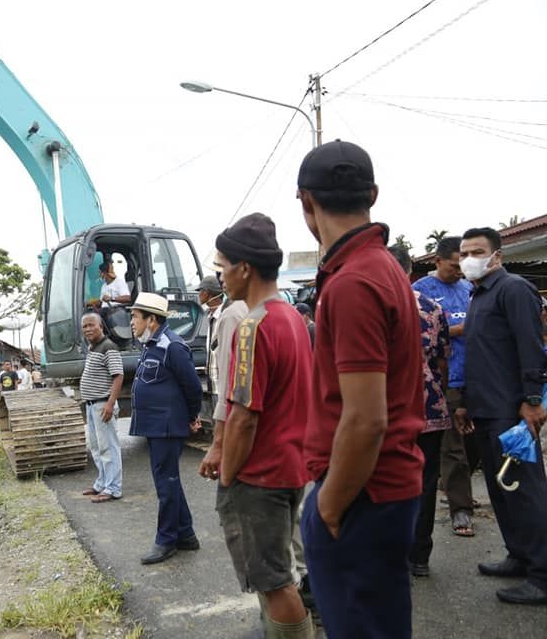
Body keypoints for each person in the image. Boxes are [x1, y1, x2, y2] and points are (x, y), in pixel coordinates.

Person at [296, 139, 425, 638]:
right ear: (372, 193)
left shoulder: (353, 282)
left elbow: (367, 418)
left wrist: (328, 504)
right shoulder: (383, 267)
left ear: (305, 201)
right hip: (382, 488)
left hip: (360, 494)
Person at [198, 213, 315, 638]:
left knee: (273, 581)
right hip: (290, 468)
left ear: (244, 268)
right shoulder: (293, 320)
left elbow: (245, 416)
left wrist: (229, 474)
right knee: (282, 570)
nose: (221, 277)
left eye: (223, 266)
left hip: (260, 475)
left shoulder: (253, 325)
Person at [458, 226, 547, 605]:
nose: (468, 259)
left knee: (526, 492)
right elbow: (479, 354)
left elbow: (531, 346)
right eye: (463, 252)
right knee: (501, 489)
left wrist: (531, 398)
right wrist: (465, 402)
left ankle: (543, 575)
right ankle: (520, 556)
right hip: (486, 408)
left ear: (497, 255)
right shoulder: (478, 295)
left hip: (513, 410)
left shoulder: (513, 290)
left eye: (476, 251)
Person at [390, 244, 452, 578]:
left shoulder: (378, 307)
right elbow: (443, 359)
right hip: (430, 408)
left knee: (390, 482)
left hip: (391, 411)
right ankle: (420, 557)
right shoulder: (431, 308)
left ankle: (393, 555)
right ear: (410, 269)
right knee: (425, 484)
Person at [412, 235, 479, 537]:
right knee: (453, 448)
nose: (459, 272)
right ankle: (460, 510)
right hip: (444, 378)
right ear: (437, 262)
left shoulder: (468, 289)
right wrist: (459, 329)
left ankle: (456, 489)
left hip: (474, 375)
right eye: (454, 266)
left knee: (473, 443)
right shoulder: (420, 292)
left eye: (462, 266)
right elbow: (422, 337)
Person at [129, 292, 203, 564]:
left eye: (136, 317)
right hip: (156, 425)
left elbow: (193, 386)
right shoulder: (151, 344)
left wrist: (192, 416)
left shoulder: (172, 346)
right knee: (169, 480)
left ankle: (166, 540)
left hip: (168, 425)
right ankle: (186, 535)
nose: (132, 322)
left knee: (166, 483)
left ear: (151, 319)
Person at [79, 311, 124, 503]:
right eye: (85, 326)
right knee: (97, 448)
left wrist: (110, 404)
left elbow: (118, 376)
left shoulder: (108, 347)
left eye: (91, 325)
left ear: (101, 327)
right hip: (92, 405)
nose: (88, 329)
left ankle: (113, 488)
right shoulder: (93, 348)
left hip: (102, 404)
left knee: (108, 448)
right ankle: (102, 483)